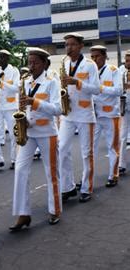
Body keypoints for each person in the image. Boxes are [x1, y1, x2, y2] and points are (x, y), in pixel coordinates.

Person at [10, 48, 62, 231]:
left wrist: (34, 102)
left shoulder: (52, 83)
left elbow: (58, 109)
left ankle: (55, 210)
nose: (31, 66)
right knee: (20, 169)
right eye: (29, 62)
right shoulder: (25, 82)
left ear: (45, 64)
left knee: (51, 172)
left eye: (35, 63)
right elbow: (21, 108)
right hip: (29, 132)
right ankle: (23, 214)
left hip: (47, 132)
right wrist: (21, 117)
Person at [59, 32, 100, 203]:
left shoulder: (90, 65)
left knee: (86, 153)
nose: (69, 47)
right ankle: (68, 187)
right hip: (68, 114)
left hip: (84, 114)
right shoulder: (65, 63)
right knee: (61, 150)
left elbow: (97, 89)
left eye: (73, 44)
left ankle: (86, 187)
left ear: (81, 46)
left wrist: (77, 82)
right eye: (67, 44)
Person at [90, 45, 123, 187]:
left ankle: (113, 175)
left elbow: (119, 90)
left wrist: (101, 88)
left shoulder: (113, 71)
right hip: (94, 115)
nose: (94, 59)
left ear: (104, 56)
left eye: (97, 56)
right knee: (90, 148)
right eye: (92, 57)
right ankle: (88, 178)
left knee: (113, 147)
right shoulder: (90, 71)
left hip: (110, 114)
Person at [0, 49, 20, 171]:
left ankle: (14, 159)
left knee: (13, 134)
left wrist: (1, 84)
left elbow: (16, 88)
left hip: (11, 106)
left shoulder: (14, 71)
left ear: (7, 58)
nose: (0, 60)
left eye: (2, 57)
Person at [119, 50, 130, 175]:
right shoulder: (121, 70)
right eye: (126, 60)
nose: (127, 63)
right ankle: (121, 164)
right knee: (122, 136)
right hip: (125, 106)